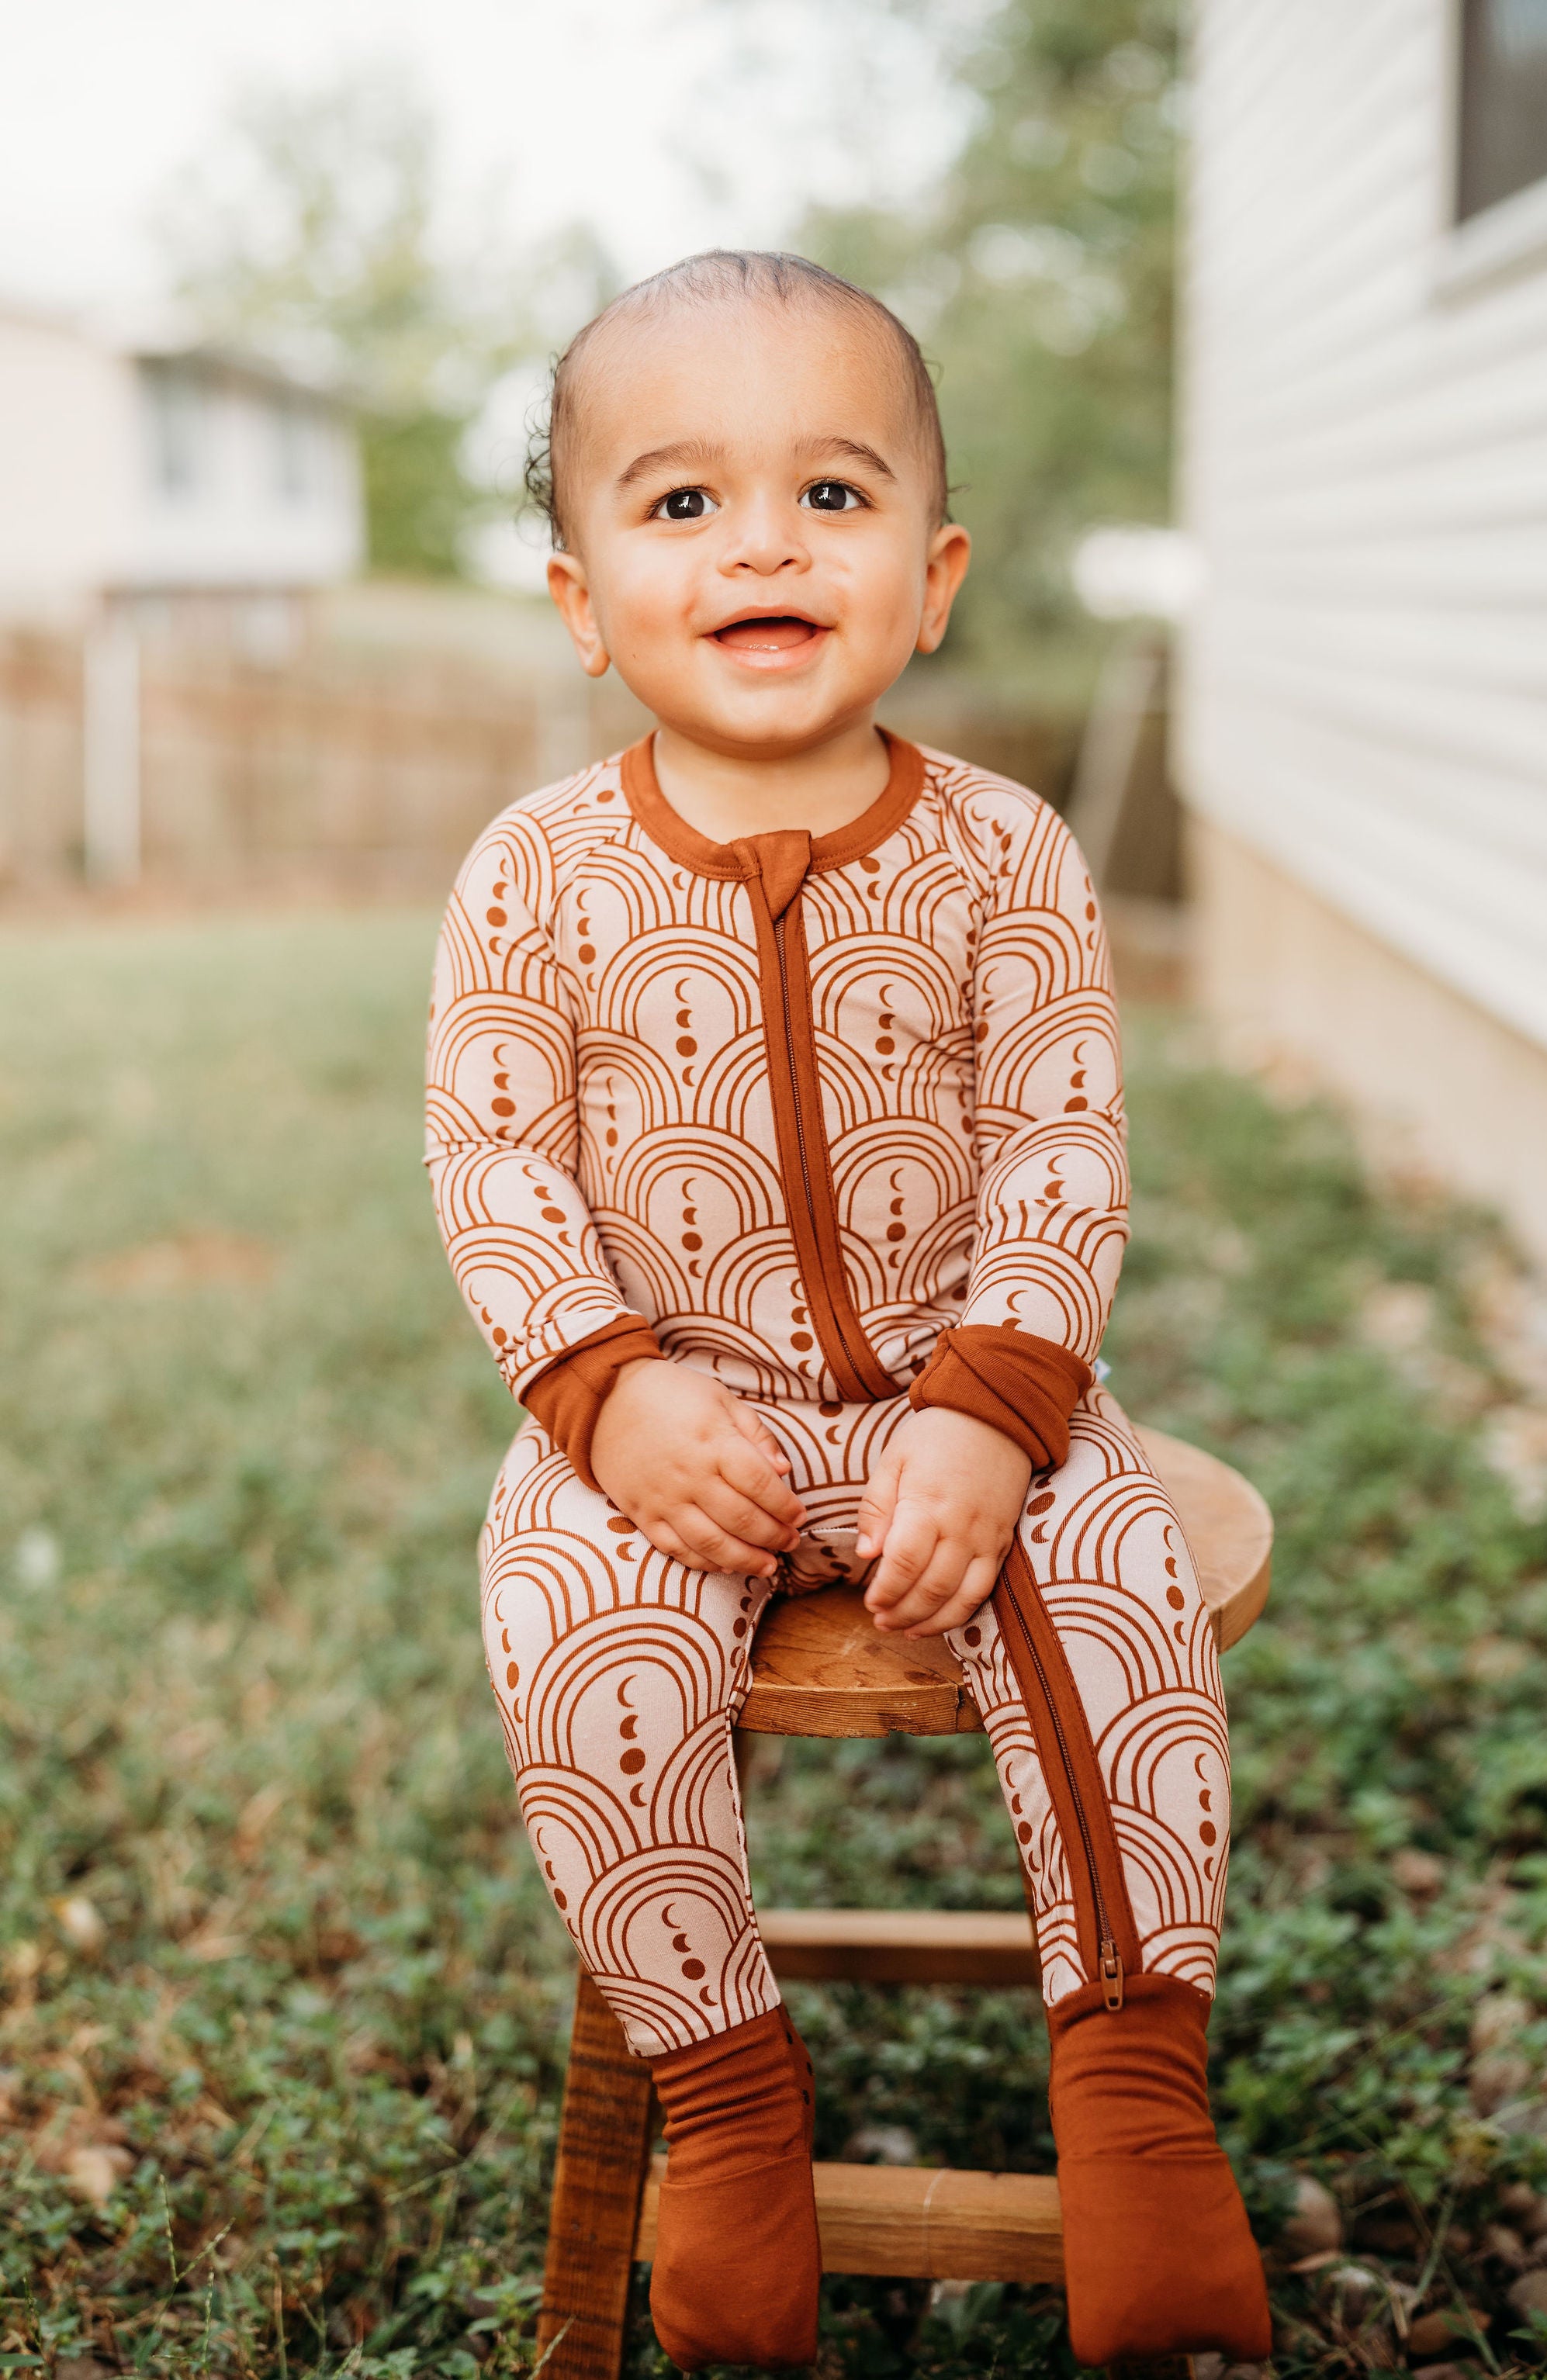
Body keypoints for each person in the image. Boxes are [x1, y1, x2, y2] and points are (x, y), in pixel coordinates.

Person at [424, 249, 1269, 2374]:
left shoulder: (1004, 854)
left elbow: (1069, 1143)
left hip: (971, 1380)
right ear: (581, 597)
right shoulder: (533, 874)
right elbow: (496, 1156)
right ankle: (722, 2093)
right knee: (569, 1630)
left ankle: (1136, 2089)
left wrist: (993, 1412)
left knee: (1114, 1579)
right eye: (682, 503)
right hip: (667, 1409)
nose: (764, 544)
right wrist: (603, 1398)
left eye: (832, 491)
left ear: (935, 570)